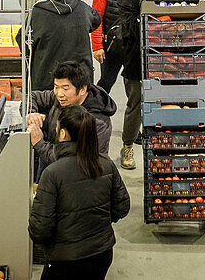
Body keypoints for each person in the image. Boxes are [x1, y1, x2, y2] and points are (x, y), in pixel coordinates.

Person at [28, 104, 130, 280]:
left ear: (63, 134)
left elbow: (40, 230)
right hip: (102, 254)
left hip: (65, 261)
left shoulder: (53, 173)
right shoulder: (106, 164)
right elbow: (122, 207)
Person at [26, 61, 116, 168]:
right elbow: (31, 97)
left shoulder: (96, 122)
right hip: (50, 157)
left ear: (82, 89)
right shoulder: (61, 98)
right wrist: (31, 113)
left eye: (65, 88)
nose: (59, 94)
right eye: (56, 87)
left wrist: (39, 143)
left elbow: (74, 163)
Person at [22, 0, 99, 92]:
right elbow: (96, 20)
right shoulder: (82, 6)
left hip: (50, 84)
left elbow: (24, 43)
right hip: (80, 82)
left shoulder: (38, 14)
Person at [116, 0, 152, 170]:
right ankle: (127, 146)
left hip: (161, 57)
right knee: (135, 106)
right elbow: (130, 29)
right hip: (135, 60)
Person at [90, 0, 130, 93]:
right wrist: (97, 46)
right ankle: (96, 109)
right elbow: (95, 19)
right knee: (106, 81)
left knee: (133, 85)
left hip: (134, 47)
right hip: (112, 48)